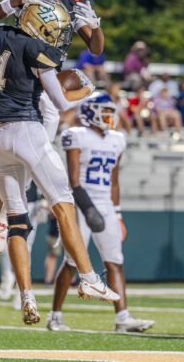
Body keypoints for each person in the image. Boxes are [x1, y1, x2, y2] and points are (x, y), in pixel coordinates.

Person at [0, 0, 119, 325]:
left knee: (18, 221)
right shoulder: (38, 51)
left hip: (0, 135)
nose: (57, 35)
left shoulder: (0, 35)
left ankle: (25, 294)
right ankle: (89, 277)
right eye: (52, 29)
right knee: (63, 204)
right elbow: (59, 99)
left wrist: (14, 3)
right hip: (28, 131)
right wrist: (86, 91)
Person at [46, 95, 154, 333]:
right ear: (89, 112)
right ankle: (55, 316)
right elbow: (74, 180)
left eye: (110, 111)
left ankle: (122, 318)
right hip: (80, 203)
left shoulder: (117, 139)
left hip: (106, 203)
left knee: (115, 261)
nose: (109, 116)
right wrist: (88, 209)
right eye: (103, 111)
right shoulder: (76, 135)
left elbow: (114, 181)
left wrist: (118, 213)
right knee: (72, 262)